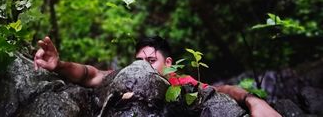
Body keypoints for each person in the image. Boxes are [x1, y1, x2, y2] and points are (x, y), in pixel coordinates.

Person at [34, 36, 281, 117]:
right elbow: (91, 75)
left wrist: (254, 101)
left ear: (168, 64)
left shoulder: (181, 84)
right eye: (139, 62)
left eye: (151, 61)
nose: (144, 67)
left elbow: (223, 91)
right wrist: (59, 65)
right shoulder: (126, 78)